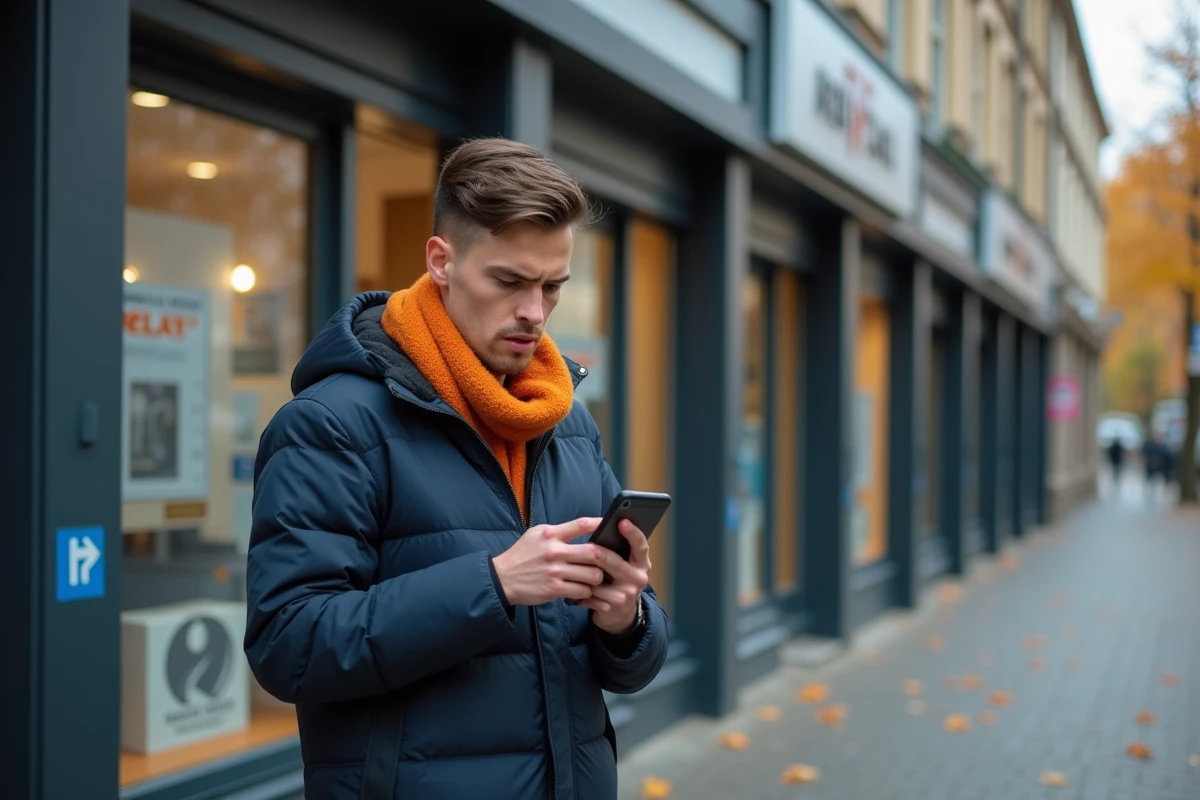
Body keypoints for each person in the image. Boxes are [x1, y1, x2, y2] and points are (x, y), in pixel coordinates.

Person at [243, 138, 670, 800]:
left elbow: (633, 661)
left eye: (553, 286)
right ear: (441, 261)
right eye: (508, 282)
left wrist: (625, 620)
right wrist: (494, 585)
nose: (534, 311)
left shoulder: (565, 422)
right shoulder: (331, 425)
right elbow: (288, 647)